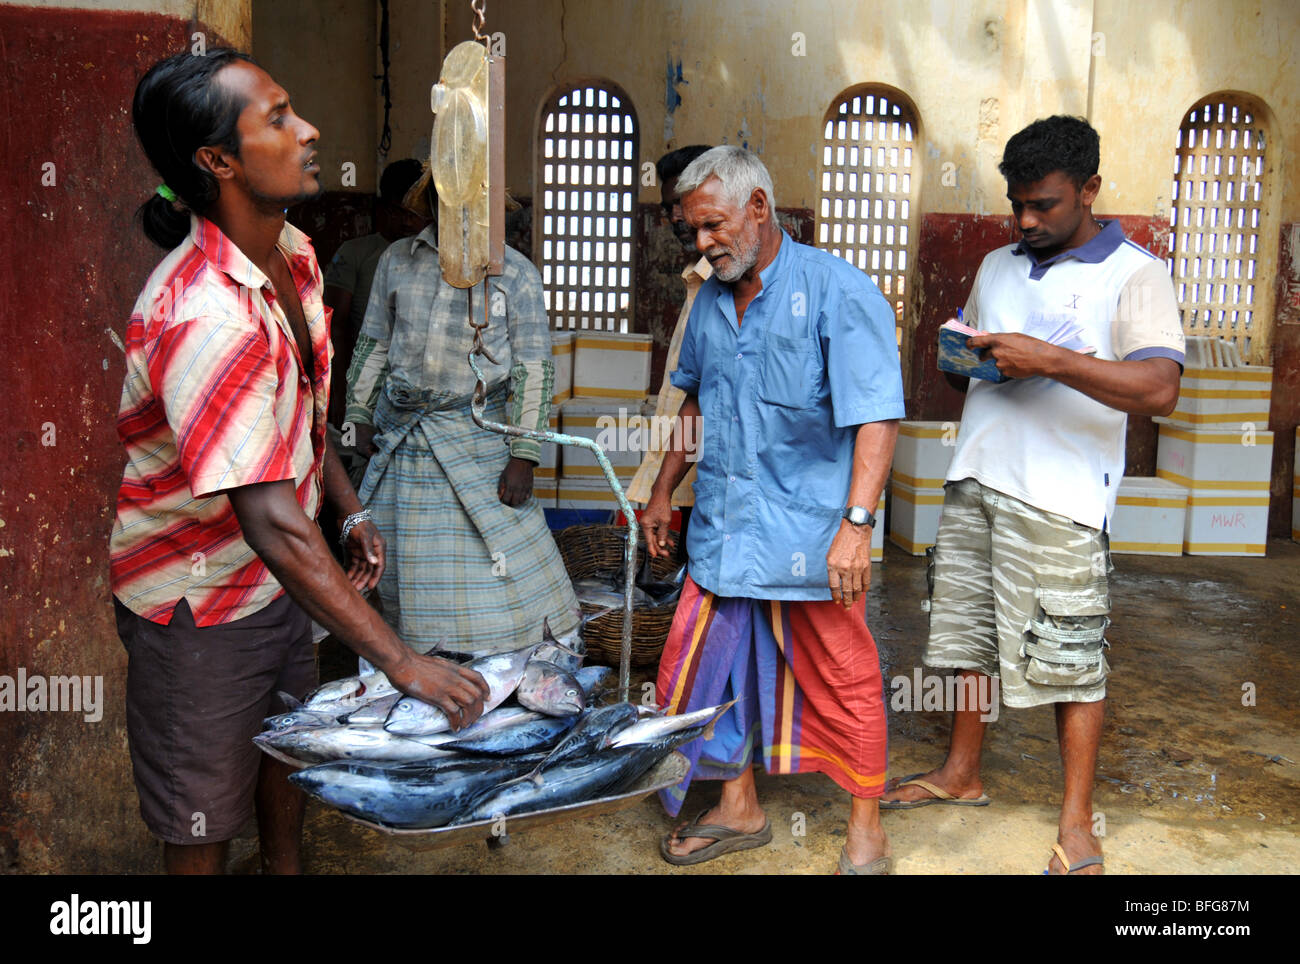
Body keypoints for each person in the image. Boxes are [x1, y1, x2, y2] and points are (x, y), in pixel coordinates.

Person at [111, 50, 489, 875]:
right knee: (201, 810)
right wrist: (400, 662)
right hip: (200, 602)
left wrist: (347, 506)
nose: (308, 129)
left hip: (278, 584)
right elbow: (271, 519)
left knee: (289, 756)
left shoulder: (293, 253)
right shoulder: (203, 316)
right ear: (218, 162)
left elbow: (302, 416)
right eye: (277, 117)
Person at [878, 116, 1184, 875]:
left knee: (1070, 656)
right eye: (1017, 203)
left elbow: (1159, 387)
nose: (1025, 220)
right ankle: (961, 773)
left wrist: (1048, 359)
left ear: (1089, 190)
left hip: (1063, 499)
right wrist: (965, 359)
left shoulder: (1135, 274)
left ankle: (1077, 822)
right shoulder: (997, 263)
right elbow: (971, 358)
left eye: (1044, 204)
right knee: (968, 641)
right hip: (977, 477)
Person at [641, 146, 905, 873]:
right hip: (726, 534)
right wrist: (664, 489)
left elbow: (877, 417)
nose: (703, 244)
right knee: (713, 673)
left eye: (713, 226)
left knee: (842, 675)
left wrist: (856, 528)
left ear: (759, 207)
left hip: (809, 540)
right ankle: (739, 803)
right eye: (693, 232)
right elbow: (694, 397)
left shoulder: (836, 292)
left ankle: (866, 828)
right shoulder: (709, 303)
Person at [344, 201, 580, 654]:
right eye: (442, 192)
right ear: (429, 196)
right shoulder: (397, 259)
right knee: (399, 573)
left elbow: (533, 368)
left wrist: (524, 455)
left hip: (478, 438)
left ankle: (493, 666)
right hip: (401, 439)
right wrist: (357, 419)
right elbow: (373, 343)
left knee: (503, 577)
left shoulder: (516, 273)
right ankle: (401, 666)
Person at [626, 145, 713, 557]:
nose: (677, 217)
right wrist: (653, 489)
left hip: (711, 484)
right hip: (687, 478)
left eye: (682, 202)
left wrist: (655, 489)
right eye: (669, 208)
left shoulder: (728, 283)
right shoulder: (698, 280)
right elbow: (683, 398)